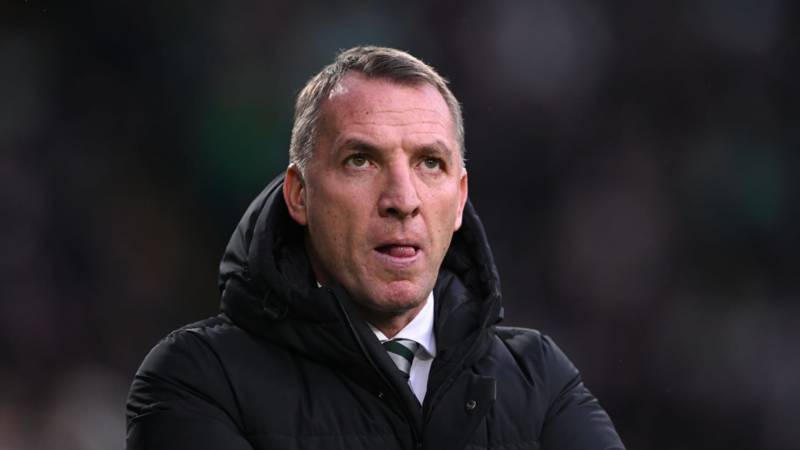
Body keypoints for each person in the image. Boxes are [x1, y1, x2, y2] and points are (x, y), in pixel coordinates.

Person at [126, 46, 625, 450]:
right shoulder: (199, 380)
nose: (403, 200)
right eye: (361, 160)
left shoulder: (540, 380)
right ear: (299, 195)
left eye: (430, 163)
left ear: (459, 200)